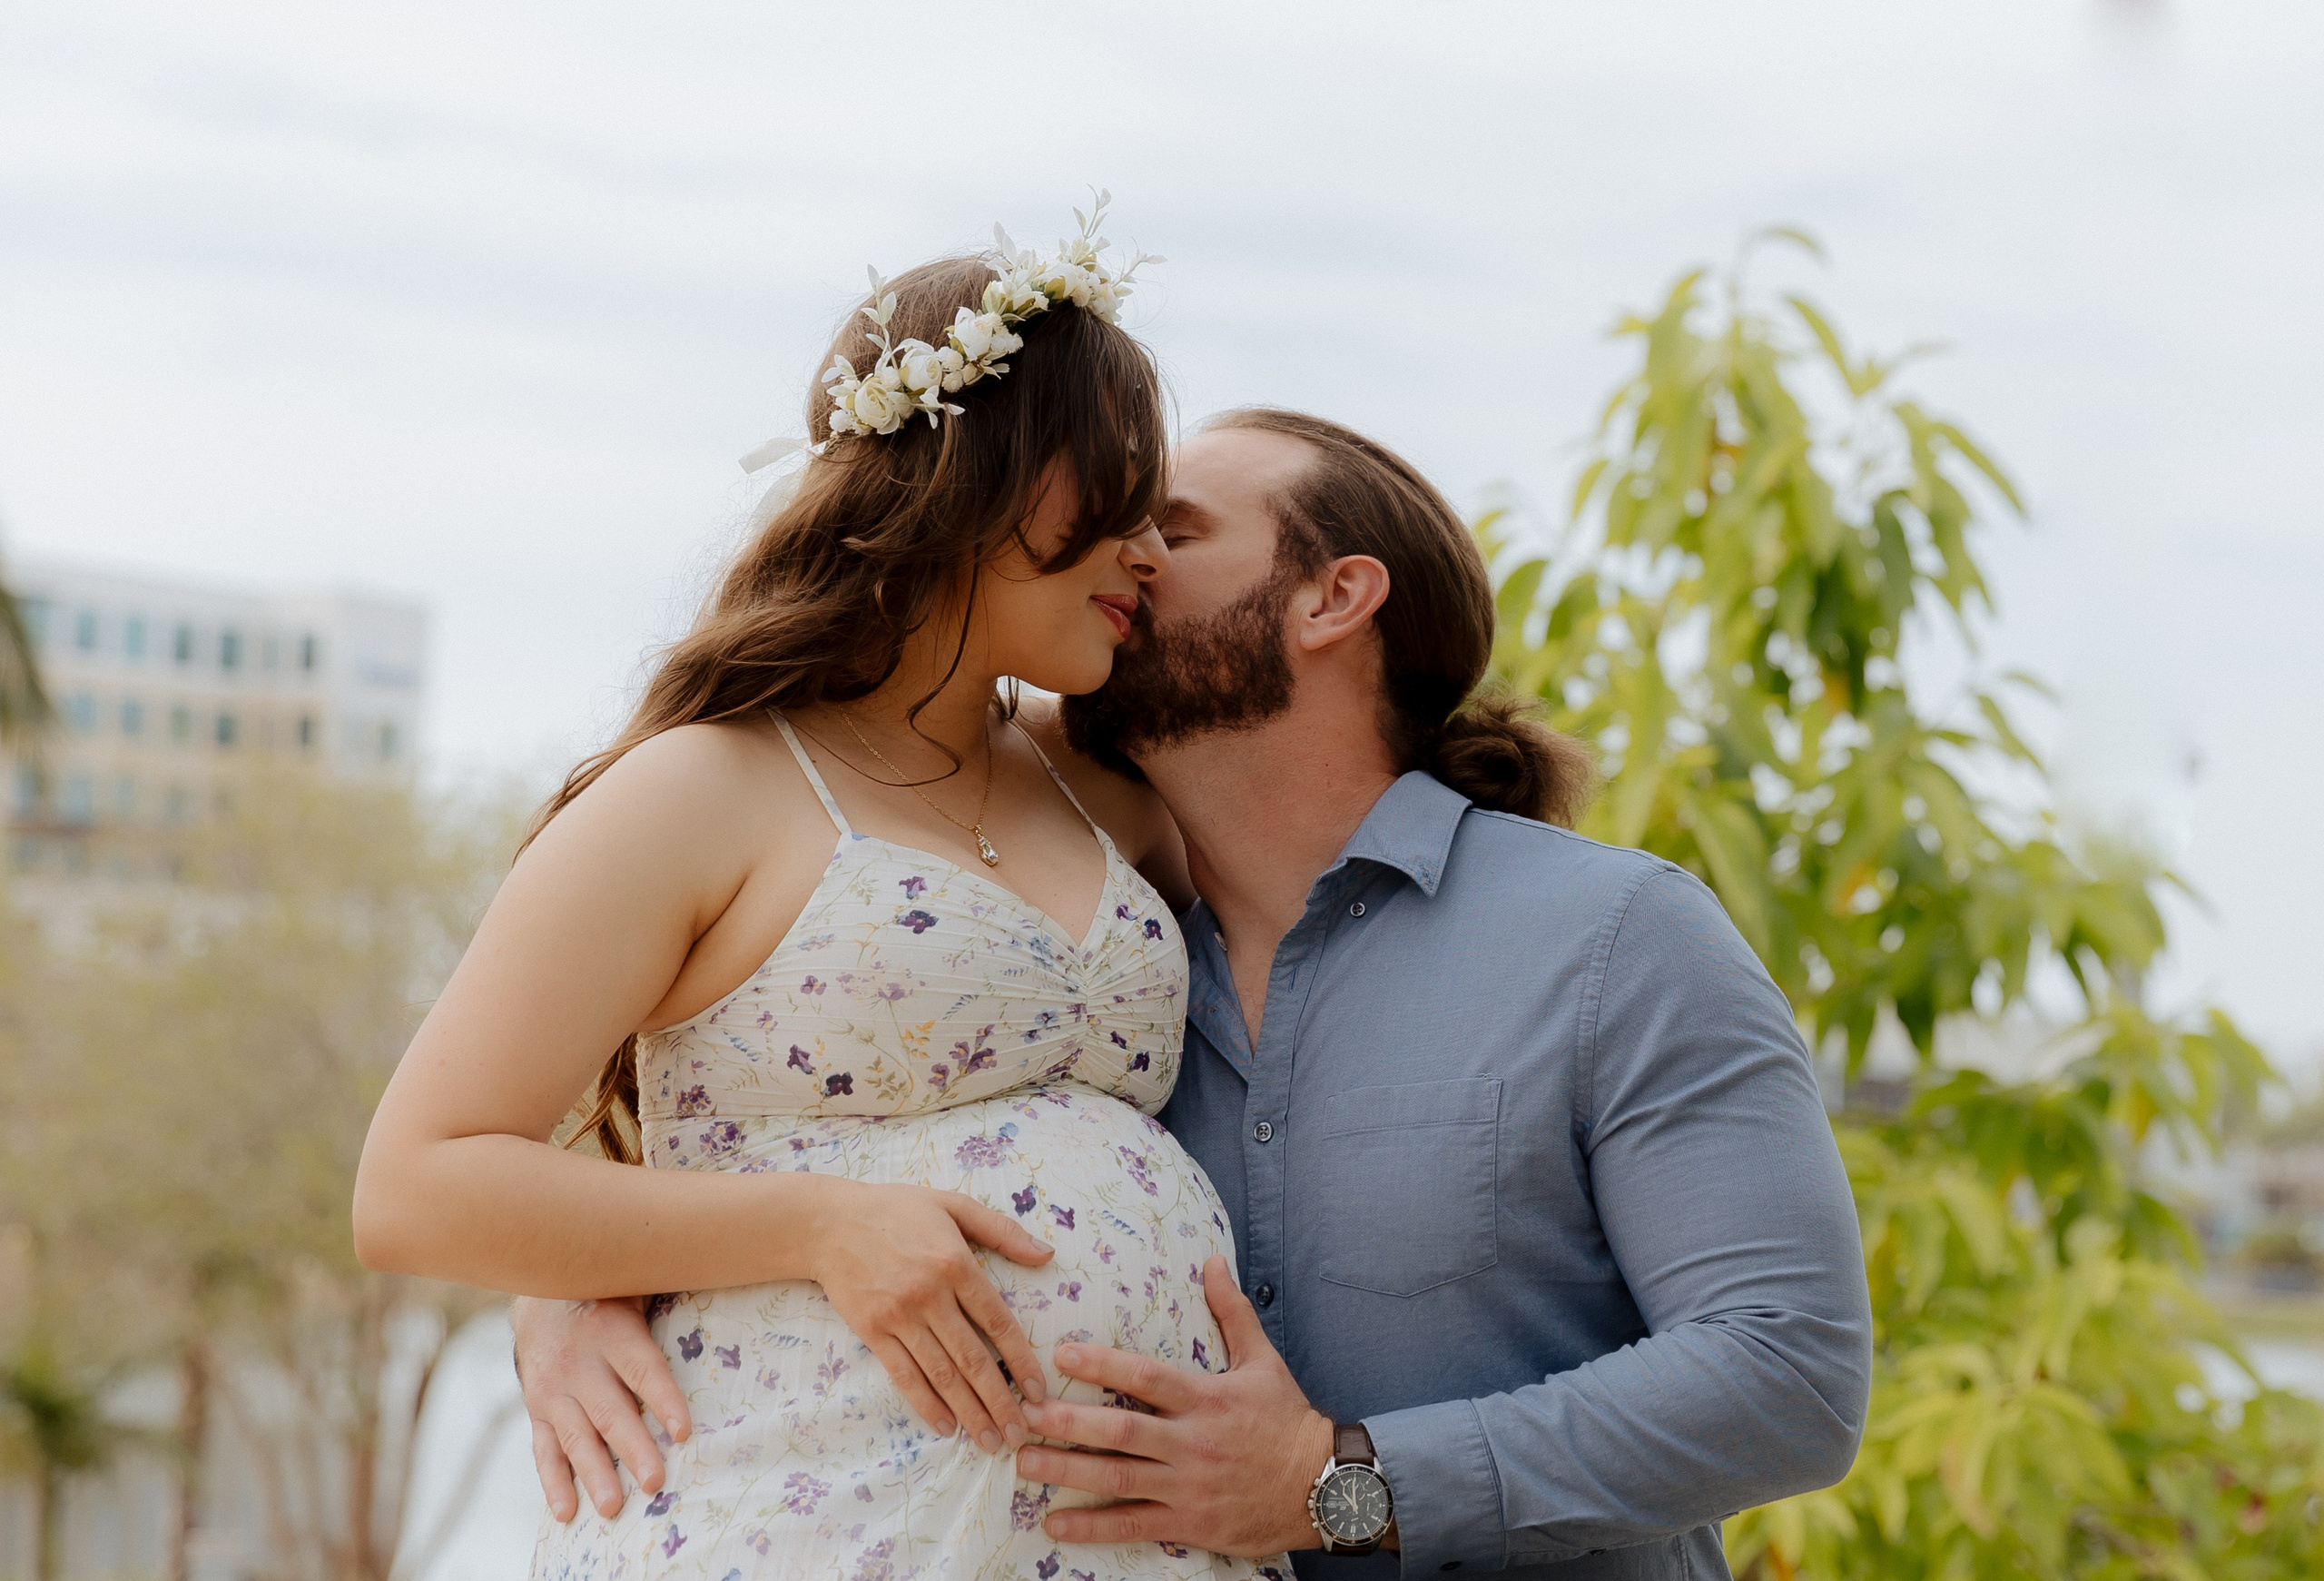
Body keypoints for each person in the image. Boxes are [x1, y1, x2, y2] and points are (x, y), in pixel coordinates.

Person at [517, 408, 1876, 1576]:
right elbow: (790, 1094)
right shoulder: (1078, 970)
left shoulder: (1616, 940)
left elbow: (1790, 1373)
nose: (1125, 557)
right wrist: (575, 1284)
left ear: (1333, 599)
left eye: (1170, 526)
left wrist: (1340, 1483)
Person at [355, 207, 1294, 1580]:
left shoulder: (1112, 795)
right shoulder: (702, 790)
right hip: (799, 1517)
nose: (1150, 549)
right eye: (1120, 496)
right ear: (991, 474)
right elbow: (417, 1186)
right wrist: (814, 1227)